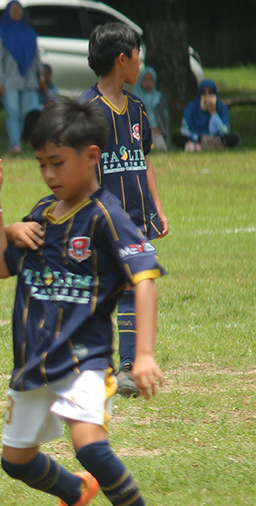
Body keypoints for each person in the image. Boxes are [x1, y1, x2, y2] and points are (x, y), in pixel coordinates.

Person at [0, 95, 183, 506]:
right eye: (42, 164)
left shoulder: (107, 215)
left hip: (84, 360)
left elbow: (145, 277)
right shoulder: (42, 213)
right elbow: (1, 268)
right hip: (34, 360)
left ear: (92, 156)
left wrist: (146, 355)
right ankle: (74, 492)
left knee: (90, 447)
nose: (49, 174)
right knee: (16, 462)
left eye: (58, 163)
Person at [79, 22, 168, 398]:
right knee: (97, 292)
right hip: (101, 220)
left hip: (136, 219)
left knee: (136, 284)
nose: (140, 61)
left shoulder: (137, 108)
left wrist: (157, 209)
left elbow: (143, 160)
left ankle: (128, 367)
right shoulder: (87, 109)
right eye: (136, 55)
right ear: (121, 60)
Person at [0, 0, 45, 155]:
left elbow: (36, 58)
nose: (16, 12)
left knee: (23, 113)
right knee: (12, 111)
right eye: (13, 10)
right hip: (9, 80)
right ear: (7, 12)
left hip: (28, 80)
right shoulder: (1, 34)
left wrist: (41, 76)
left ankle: (17, 142)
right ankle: (14, 145)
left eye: (18, 10)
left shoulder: (29, 34)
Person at [173, 79, 240, 150]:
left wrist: (213, 113)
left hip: (215, 138)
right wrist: (196, 137)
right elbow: (184, 130)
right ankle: (200, 144)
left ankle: (203, 145)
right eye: (204, 94)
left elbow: (224, 131)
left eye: (210, 93)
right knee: (177, 138)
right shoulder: (192, 107)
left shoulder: (221, 107)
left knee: (233, 138)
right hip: (196, 138)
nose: (207, 97)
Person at [136, 66, 169, 151]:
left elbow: (165, 118)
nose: (148, 83)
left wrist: (161, 129)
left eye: (151, 80)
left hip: (157, 131)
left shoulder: (159, 98)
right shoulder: (135, 99)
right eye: (145, 80)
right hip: (139, 133)